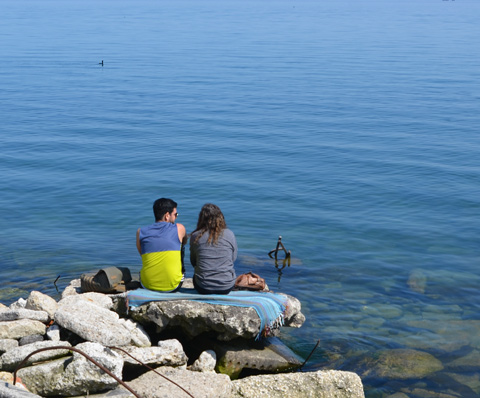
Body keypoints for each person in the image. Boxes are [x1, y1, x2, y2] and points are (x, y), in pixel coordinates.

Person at [136, 198, 187, 292]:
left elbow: (142, 254)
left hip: (147, 284)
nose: (176, 217)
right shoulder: (179, 228)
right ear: (167, 216)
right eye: (175, 214)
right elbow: (185, 242)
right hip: (173, 286)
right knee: (181, 247)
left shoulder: (140, 232)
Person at [190, 203, 237, 294]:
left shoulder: (196, 236)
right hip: (226, 286)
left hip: (203, 287)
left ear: (201, 219)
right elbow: (232, 259)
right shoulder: (229, 234)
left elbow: (193, 262)